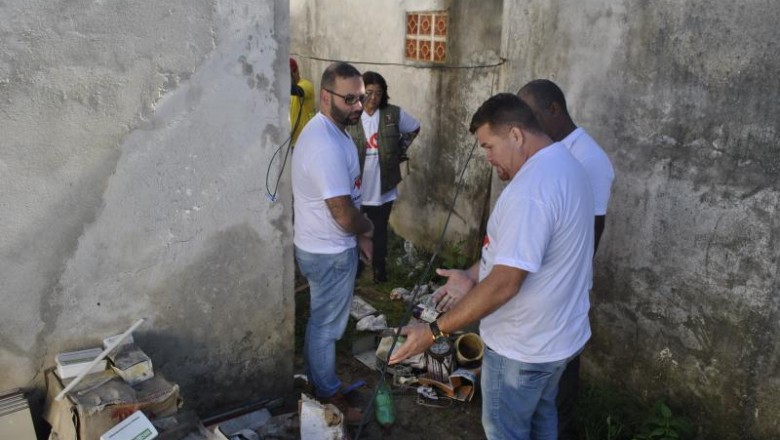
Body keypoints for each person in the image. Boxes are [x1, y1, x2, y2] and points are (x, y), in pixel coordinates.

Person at [390, 93, 594, 440]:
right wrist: (471, 275)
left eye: (489, 146)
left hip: (522, 350)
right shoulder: (567, 165)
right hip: (558, 342)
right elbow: (514, 256)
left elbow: (504, 283)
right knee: (544, 422)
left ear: (516, 135)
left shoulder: (531, 190)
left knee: (506, 431)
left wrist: (433, 332)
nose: (487, 158)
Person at [518, 79, 615, 440]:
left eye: (531, 117)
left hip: (566, 289)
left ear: (554, 110)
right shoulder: (551, 152)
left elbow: (592, 230)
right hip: (543, 286)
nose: (525, 128)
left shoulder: (588, 158)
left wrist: (565, 282)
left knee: (562, 377)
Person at [291, 61, 374, 425]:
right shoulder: (323, 143)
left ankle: (316, 381)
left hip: (321, 246)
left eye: (362, 97)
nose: (358, 105)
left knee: (320, 321)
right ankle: (327, 394)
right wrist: (366, 228)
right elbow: (342, 213)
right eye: (350, 98)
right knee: (327, 326)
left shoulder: (331, 129)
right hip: (329, 252)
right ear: (326, 96)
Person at [346, 71, 420, 283]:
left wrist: (399, 149)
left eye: (378, 93)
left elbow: (415, 128)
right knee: (354, 229)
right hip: (356, 187)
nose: (373, 98)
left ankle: (379, 269)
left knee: (380, 230)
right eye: (368, 93)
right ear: (361, 92)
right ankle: (357, 267)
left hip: (383, 186)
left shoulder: (392, 114)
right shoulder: (352, 114)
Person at [289, 57, 316, 144]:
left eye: (292, 72)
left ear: (297, 71)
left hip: (305, 141)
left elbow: (298, 91)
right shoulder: (287, 93)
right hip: (291, 142)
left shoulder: (306, 85)